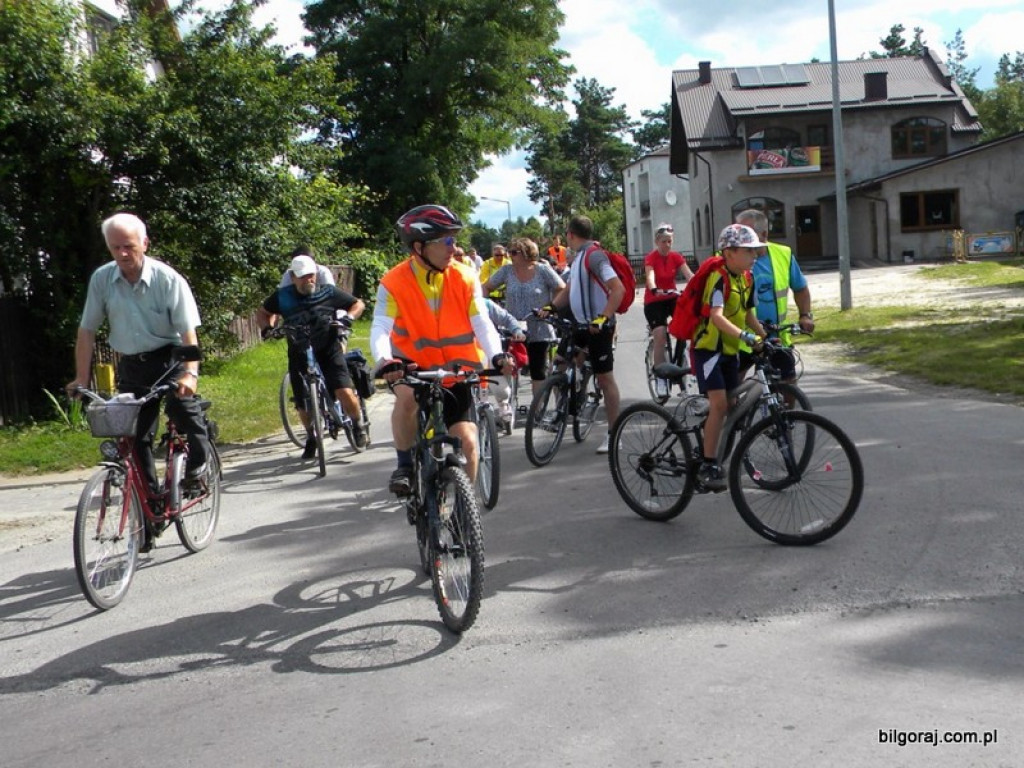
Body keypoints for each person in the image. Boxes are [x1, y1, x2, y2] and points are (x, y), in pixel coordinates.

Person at [68, 212, 210, 550]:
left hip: (171, 357)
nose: (122, 254)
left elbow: (189, 333)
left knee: (183, 410)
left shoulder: (167, 279)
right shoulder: (103, 279)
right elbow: (87, 331)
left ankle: (200, 463)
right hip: (132, 364)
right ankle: (151, 518)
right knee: (134, 439)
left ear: (144, 243)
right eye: (115, 247)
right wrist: (80, 377)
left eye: (128, 246)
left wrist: (190, 373)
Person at [371, 204, 512, 496]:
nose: (454, 248)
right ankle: (405, 465)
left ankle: (461, 512)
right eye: (446, 241)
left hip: (455, 369)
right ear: (419, 247)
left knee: (469, 444)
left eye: (455, 240)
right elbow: (381, 328)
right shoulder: (394, 282)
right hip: (409, 366)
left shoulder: (464, 276)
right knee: (407, 400)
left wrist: (497, 354)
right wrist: (386, 360)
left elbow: (481, 322)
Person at [257, 254, 367, 457]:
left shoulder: (328, 292)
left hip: (328, 347)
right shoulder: (283, 296)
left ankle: (358, 424)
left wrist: (348, 319)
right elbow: (263, 312)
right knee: (302, 401)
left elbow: (357, 304)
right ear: (293, 277)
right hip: (299, 350)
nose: (309, 279)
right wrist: (268, 329)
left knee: (343, 390)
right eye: (303, 276)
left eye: (311, 275)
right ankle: (311, 436)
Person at [692, 224, 767, 491]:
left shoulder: (746, 278)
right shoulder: (719, 278)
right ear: (730, 252)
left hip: (729, 351)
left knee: (731, 403)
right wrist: (746, 337)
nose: (754, 256)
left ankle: (709, 437)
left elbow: (748, 315)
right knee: (721, 405)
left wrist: (764, 336)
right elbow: (716, 316)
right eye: (748, 251)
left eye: (755, 251)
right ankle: (708, 462)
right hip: (709, 350)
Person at [538, 215, 623, 454]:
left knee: (606, 380)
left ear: (570, 234)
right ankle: (565, 407)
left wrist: (603, 316)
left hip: (598, 328)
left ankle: (614, 434)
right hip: (579, 326)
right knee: (560, 362)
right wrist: (551, 307)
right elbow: (569, 291)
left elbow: (618, 289)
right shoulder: (577, 259)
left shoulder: (595, 256)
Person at [733, 209, 815, 384]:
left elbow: (800, 288)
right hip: (741, 338)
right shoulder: (730, 257)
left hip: (775, 335)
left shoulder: (783, 254)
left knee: (789, 384)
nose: (740, 237)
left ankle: (784, 413)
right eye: (738, 231)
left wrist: (805, 315)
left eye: (746, 232)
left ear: (764, 234)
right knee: (731, 389)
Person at [482, 237, 565, 397]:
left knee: (537, 371)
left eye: (513, 252)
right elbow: (486, 287)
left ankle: (536, 413)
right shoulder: (507, 270)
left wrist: (550, 308)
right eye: (509, 252)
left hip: (538, 328)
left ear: (527, 253)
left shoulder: (542, 270)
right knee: (506, 367)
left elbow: (561, 288)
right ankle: (506, 408)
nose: (509, 256)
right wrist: (487, 308)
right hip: (512, 329)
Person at [644, 223, 695, 398]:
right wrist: (652, 287)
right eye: (664, 241)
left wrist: (699, 285)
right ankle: (660, 377)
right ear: (657, 242)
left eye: (670, 241)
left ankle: (682, 364)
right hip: (654, 301)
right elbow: (650, 275)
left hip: (672, 297)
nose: (668, 245)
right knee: (660, 335)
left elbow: (689, 275)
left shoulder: (676, 257)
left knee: (686, 327)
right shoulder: (651, 258)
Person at [481, 297, 526, 427]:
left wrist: (517, 331)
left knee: (501, 390)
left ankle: (504, 405)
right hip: (463, 354)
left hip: (489, 351)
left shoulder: (486, 304)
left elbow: (507, 319)